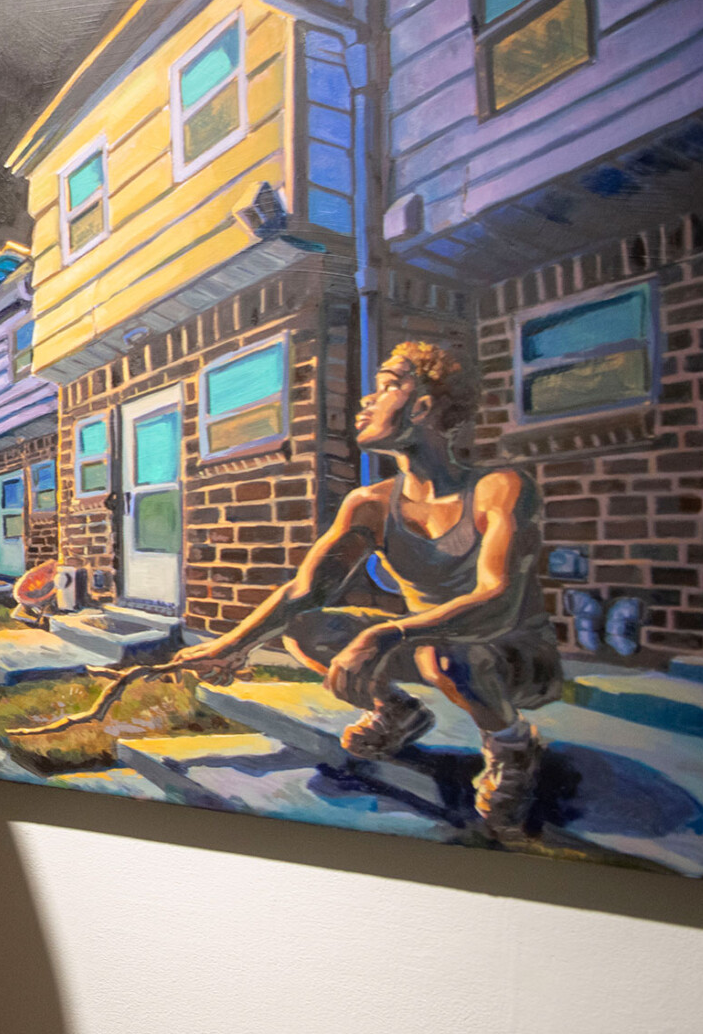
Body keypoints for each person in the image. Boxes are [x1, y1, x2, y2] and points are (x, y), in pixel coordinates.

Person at [163, 341, 562, 834]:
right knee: (306, 627)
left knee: (444, 653)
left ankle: (512, 744)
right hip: (422, 648)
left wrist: (383, 635)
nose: (366, 402)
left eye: (389, 385)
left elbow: (496, 604)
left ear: (422, 406)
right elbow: (304, 592)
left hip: (514, 656)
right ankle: (395, 712)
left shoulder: (498, 488)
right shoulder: (369, 503)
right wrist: (230, 648)